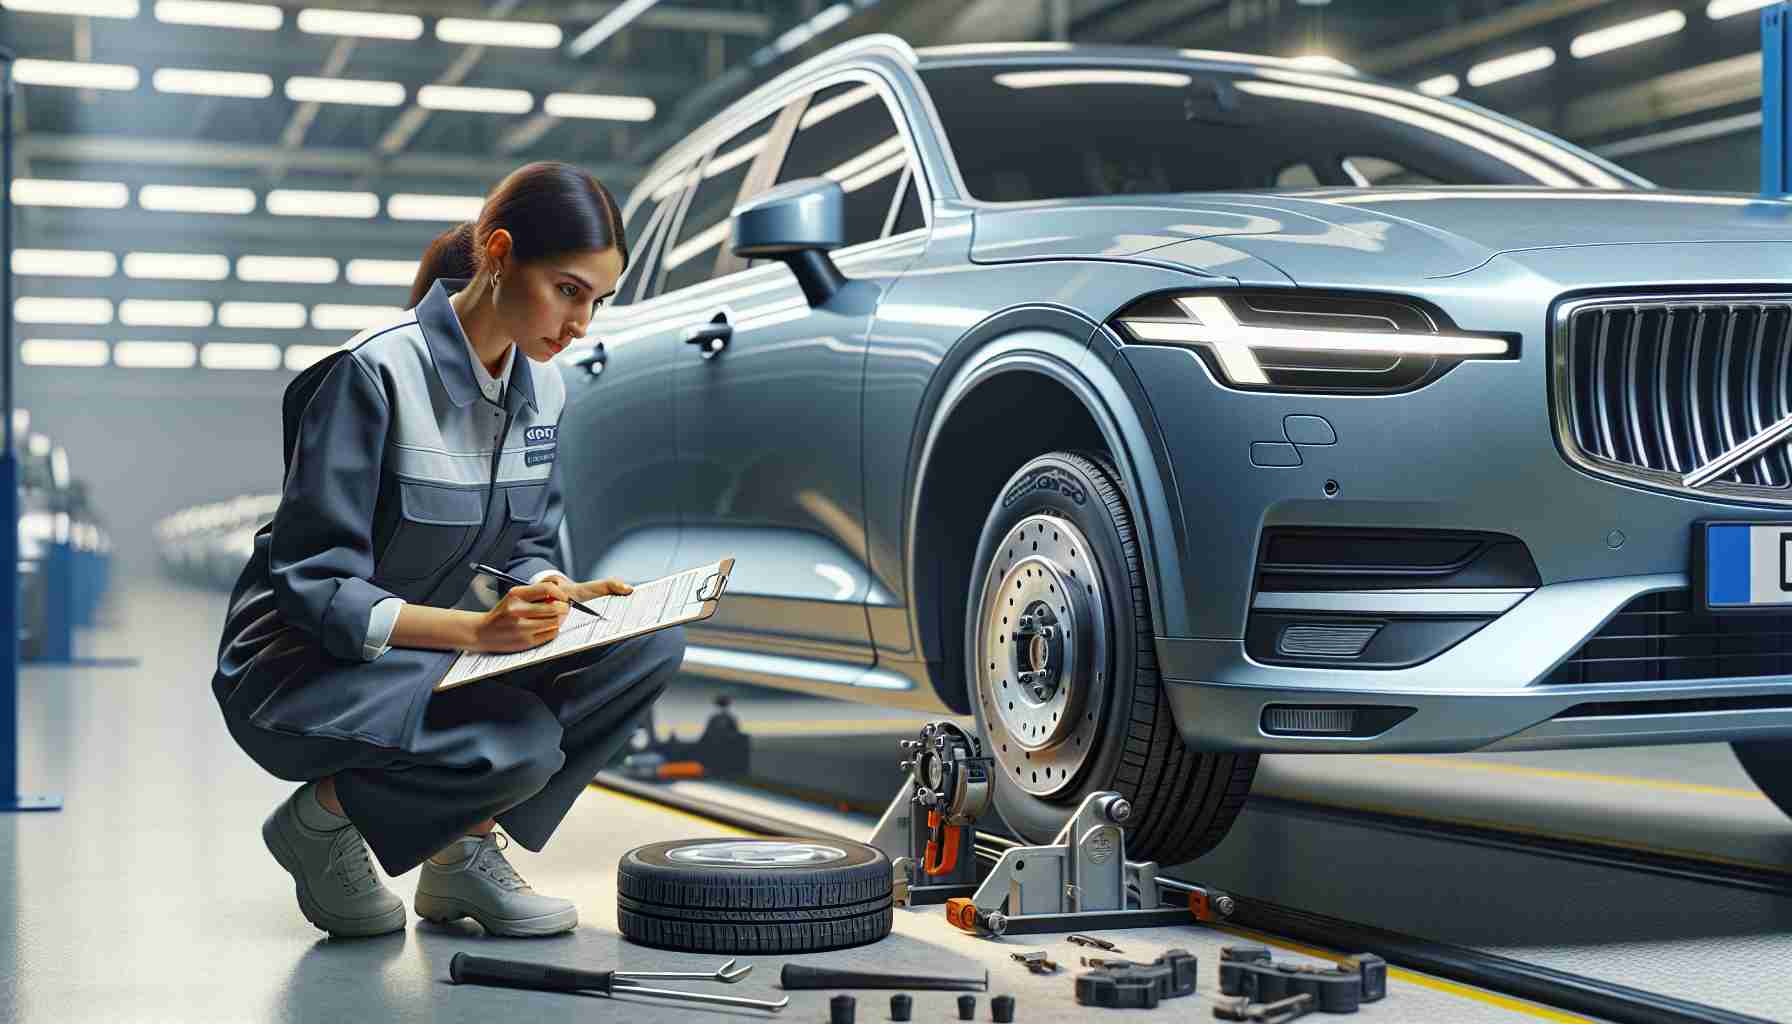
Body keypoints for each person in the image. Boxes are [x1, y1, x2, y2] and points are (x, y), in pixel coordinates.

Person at [211, 160, 686, 940]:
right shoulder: (371, 374)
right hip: (296, 668)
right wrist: (478, 632)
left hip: (416, 659)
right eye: (568, 290)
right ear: (498, 255)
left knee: (646, 646)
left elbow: (527, 539)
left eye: (597, 301)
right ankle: (320, 823)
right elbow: (317, 585)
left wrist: (555, 590)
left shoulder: (542, 388)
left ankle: (458, 854)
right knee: (519, 742)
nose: (580, 325)